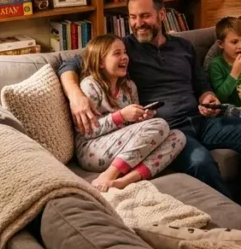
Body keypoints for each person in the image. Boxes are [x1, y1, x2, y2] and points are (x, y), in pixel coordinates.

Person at [58, 0, 241, 215]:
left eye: (145, 15)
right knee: (201, 163)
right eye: (133, 17)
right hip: (168, 130)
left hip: (203, 119)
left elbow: (201, 85)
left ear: (161, 14)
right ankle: (235, 221)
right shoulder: (123, 50)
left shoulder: (183, 46)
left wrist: (207, 97)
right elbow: (70, 62)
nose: (138, 23)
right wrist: (75, 95)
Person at [75, 34, 186, 191]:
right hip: (91, 149)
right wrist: (121, 116)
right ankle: (109, 175)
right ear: (100, 62)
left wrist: (142, 117)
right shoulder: (90, 85)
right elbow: (87, 131)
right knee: (159, 125)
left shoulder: (129, 87)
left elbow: (135, 131)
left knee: (178, 137)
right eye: (117, 53)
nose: (125, 57)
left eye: (125, 52)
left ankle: (125, 181)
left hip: (121, 146)